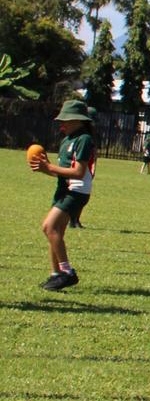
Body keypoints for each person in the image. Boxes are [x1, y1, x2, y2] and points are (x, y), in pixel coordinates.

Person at [28, 99, 96, 290]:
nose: (61, 124)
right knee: (56, 232)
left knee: (49, 227)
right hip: (63, 189)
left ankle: (67, 272)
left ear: (79, 120)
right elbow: (61, 170)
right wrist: (45, 168)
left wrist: (49, 166)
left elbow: (79, 172)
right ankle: (56, 274)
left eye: (66, 120)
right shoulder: (67, 140)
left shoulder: (84, 139)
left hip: (76, 191)